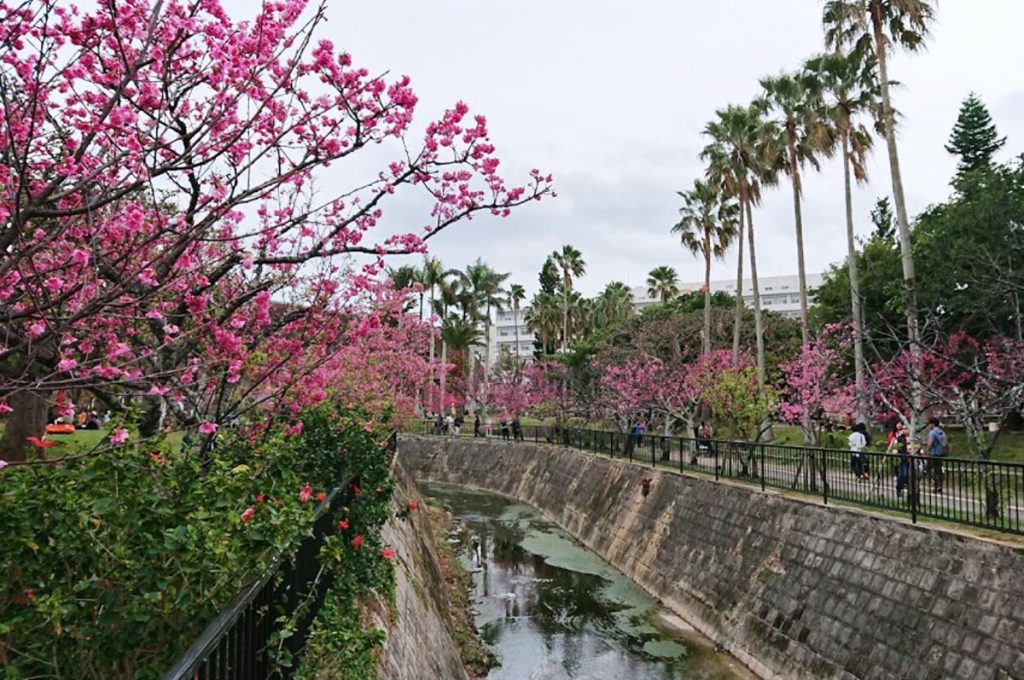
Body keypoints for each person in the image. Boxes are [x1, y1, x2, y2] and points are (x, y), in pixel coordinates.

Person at [887, 422, 911, 498]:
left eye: (906, 429)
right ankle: (899, 488)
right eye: (903, 429)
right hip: (903, 459)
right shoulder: (900, 438)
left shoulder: (914, 438)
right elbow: (895, 447)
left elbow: (918, 447)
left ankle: (911, 494)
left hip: (912, 460)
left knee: (910, 477)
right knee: (903, 475)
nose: (904, 430)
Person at [926, 417, 947, 493]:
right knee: (939, 470)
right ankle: (940, 485)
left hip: (932, 454)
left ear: (932, 424)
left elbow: (930, 443)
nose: (928, 426)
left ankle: (936, 485)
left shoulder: (932, 432)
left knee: (928, 470)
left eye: (929, 424)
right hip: (940, 454)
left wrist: (927, 451)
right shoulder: (941, 432)